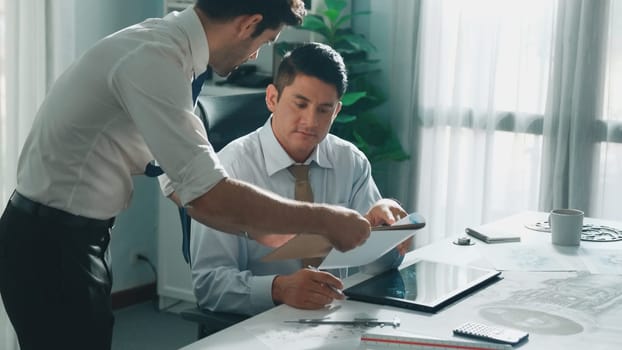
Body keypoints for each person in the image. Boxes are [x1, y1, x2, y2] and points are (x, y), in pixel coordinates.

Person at [0, 2, 371, 349]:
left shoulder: (169, 52)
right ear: (248, 24)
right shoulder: (153, 61)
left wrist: (252, 224)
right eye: (265, 41)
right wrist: (325, 219)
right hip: (50, 243)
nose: (256, 55)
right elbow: (207, 194)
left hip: (73, 237)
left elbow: (175, 177)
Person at [190, 43, 412, 315]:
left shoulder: (349, 161)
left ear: (337, 111)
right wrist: (279, 289)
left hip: (334, 319)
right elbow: (209, 284)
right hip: (258, 322)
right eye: (300, 104)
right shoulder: (230, 169)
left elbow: (379, 266)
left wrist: (383, 229)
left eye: (323, 109)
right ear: (272, 98)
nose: (310, 121)